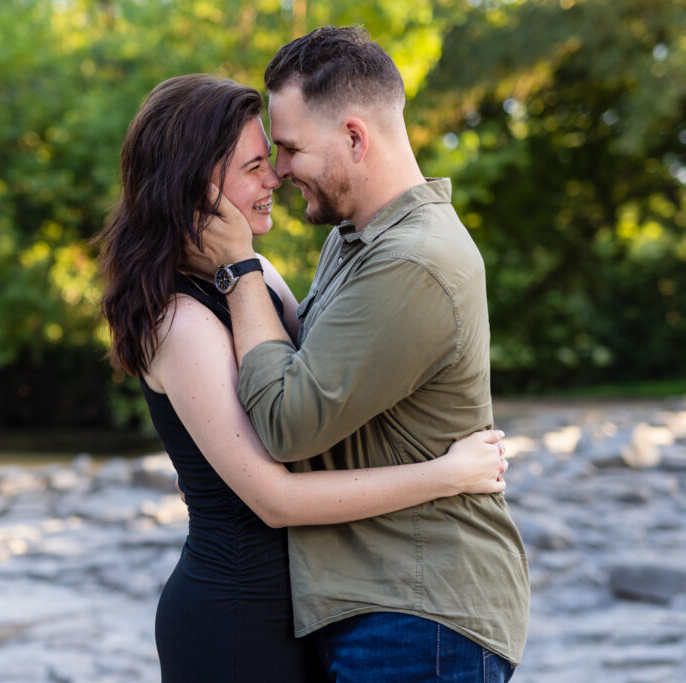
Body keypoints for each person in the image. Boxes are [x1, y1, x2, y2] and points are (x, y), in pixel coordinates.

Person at [96, 73, 510, 683]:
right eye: (255, 165)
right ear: (195, 186)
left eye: (275, 158)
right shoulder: (178, 320)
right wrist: (444, 476)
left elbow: (315, 388)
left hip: (315, 611)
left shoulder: (254, 274)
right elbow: (274, 499)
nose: (274, 180)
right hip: (236, 619)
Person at [189, 27, 530, 682]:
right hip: (383, 605)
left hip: (418, 610)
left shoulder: (414, 261)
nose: (280, 171)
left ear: (353, 136)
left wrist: (238, 267)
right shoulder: (357, 238)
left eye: (288, 148)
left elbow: (288, 423)